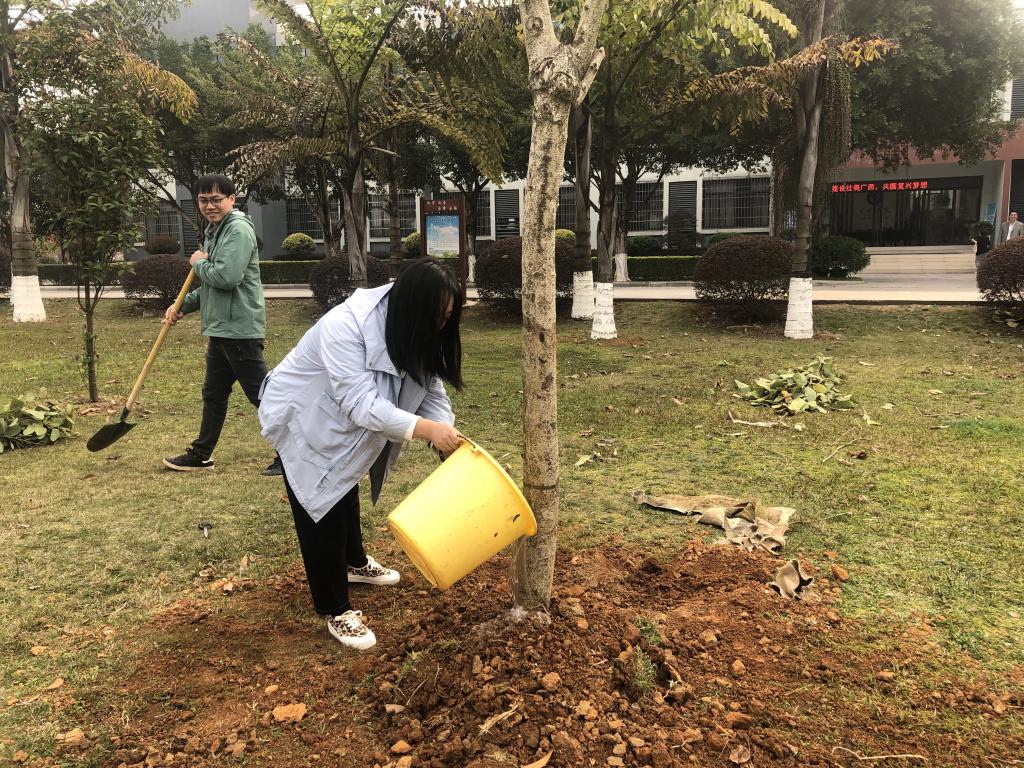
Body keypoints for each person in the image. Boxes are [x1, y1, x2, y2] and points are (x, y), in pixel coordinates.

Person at [258, 258, 464, 650]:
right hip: (304, 415)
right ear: (412, 308)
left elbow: (429, 387)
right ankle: (335, 608)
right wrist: (427, 431)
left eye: (448, 318)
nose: (441, 326)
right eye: (438, 317)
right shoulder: (346, 326)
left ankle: (353, 563)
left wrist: (445, 430)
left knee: (345, 479)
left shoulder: (414, 326)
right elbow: (361, 405)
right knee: (319, 501)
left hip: (343, 421)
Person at [162, 173, 282, 476]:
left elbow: (227, 278)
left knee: (263, 396)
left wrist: (198, 262)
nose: (209, 205)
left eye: (216, 199)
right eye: (203, 200)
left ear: (232, 199)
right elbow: (211, 286)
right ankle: (201, 454)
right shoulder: (216, 230)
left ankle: (295, 454)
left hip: (239, 329)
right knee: (214, 394)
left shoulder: (237, 229)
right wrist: (181, 306)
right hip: (221, 329)